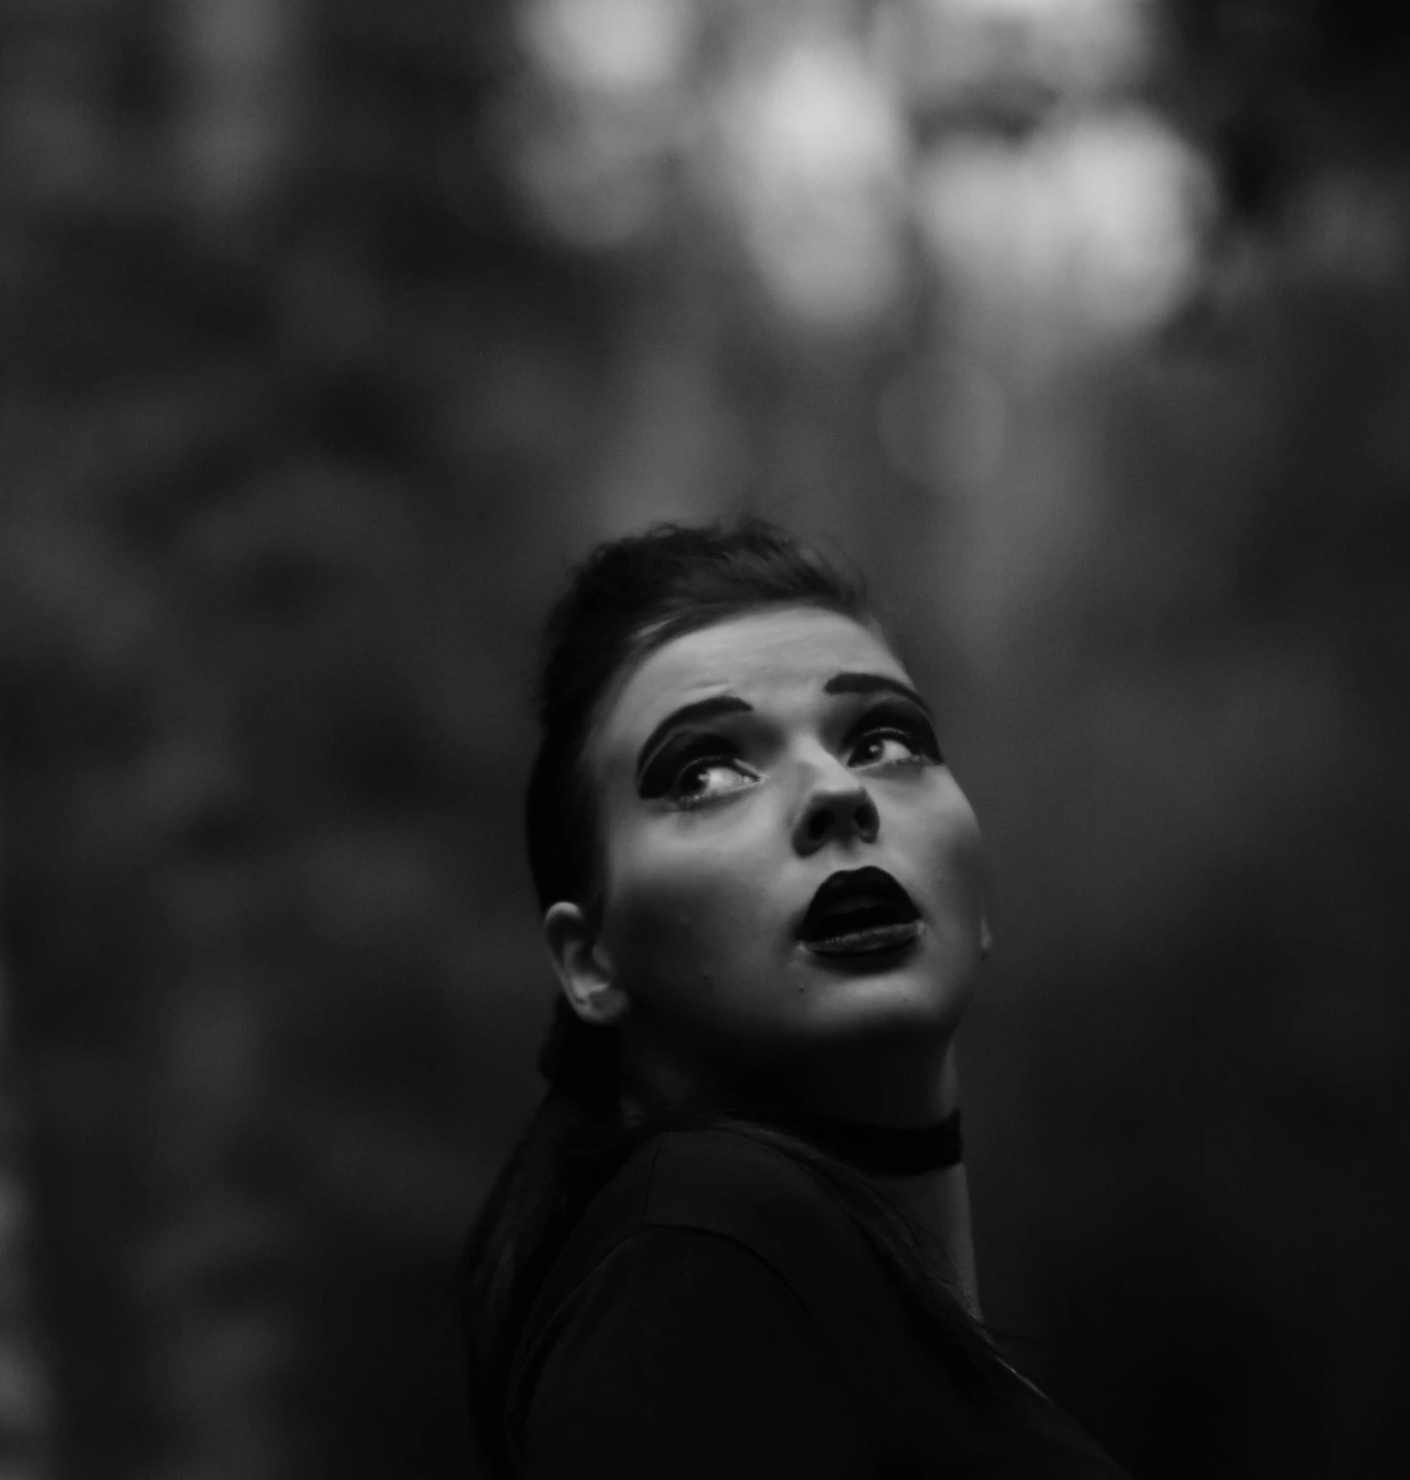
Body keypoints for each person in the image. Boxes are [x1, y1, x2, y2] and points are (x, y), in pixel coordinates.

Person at [459, 519, 1129, 1479]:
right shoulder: (697, 1259)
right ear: (590, 962)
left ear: (979, 899)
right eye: (707, 773)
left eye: (886, 740)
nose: (836, 793)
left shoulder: (813, 1300)